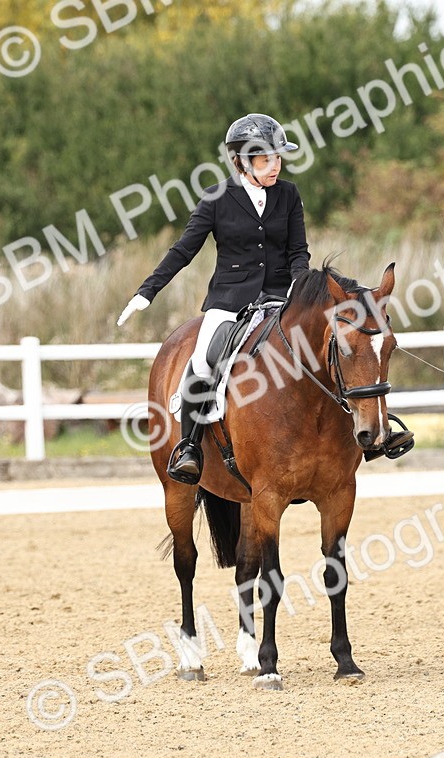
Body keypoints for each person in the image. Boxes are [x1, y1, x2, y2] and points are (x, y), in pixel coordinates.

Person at [116, 113, 313, 485]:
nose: (275, 165)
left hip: (280, 296)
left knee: (324, 347)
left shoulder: (288, 194)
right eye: (266, 159)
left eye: (277, 158)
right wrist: (147, 291)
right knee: (204, 362)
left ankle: (357, 433)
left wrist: (300, 286)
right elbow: (184, 250)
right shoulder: (217, 198)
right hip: (230, 300)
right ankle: (189, 447)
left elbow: (298, 251)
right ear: (242, 161)